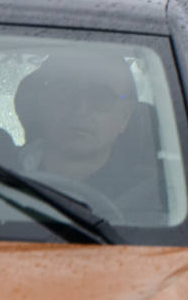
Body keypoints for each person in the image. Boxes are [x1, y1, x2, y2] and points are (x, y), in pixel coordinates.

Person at [14, 52, 160, 213]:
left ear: (125, 116)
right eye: (64, 92)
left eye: (101, 98)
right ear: (43, 104)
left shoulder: (154, 200)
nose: (80, 109)